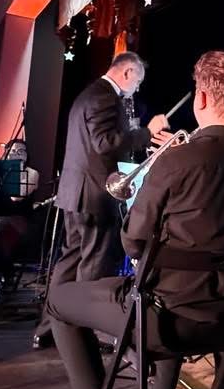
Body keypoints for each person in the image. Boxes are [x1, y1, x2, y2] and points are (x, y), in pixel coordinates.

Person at [44, 51, 224, 389]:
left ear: (201, 99)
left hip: (163, 323)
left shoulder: (177, 160)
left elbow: (133, 242)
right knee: (173, 289)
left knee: (59, 300)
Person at [35, 52, 170, 349]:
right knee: (94, 264)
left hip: (75, 193)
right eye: (138, 81)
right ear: (127, 72)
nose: (137, 88)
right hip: (94, 195)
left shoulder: (88, 94)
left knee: (69, 262)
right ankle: (86, 335)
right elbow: (104, 143)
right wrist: (147, 132)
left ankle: (49, 329)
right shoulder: (106, 97)